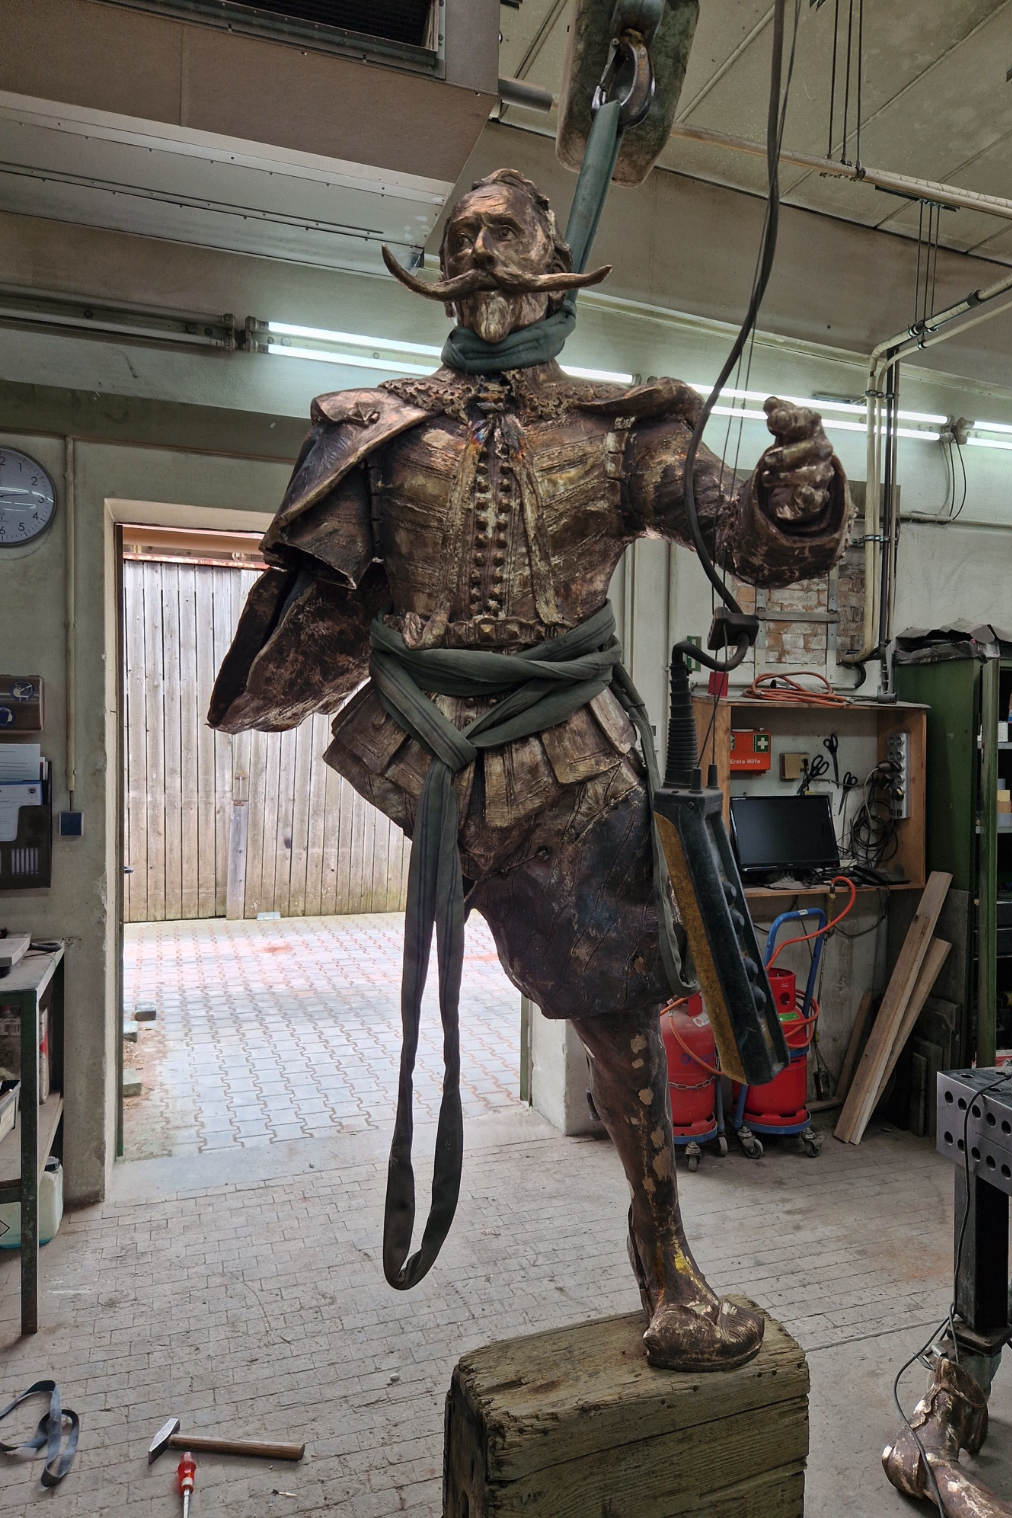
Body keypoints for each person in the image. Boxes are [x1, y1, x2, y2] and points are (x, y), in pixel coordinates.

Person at [210, 167, 852, 1371]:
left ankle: (665, 1268)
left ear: (551, 259)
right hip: (421, 754)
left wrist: (796, 497)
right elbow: (318, 616)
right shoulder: (377, 430)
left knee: (622, 1018)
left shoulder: (621, 433)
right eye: (460, 233)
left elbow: (749, 542)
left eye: (503, 229)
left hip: (572, 762)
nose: (479, 248)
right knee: (601, 1008)